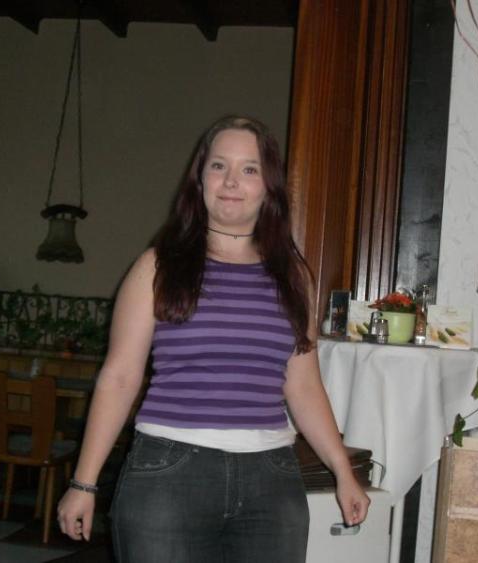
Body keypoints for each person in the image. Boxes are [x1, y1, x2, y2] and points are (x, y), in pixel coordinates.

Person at [57, 115, 370, 562]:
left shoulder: (293, 276)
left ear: (269, 186)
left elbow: (303, 385)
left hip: (271, 483)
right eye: (219, 166)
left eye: (249, 169)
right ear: (200, 179)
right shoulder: (157, 266)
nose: (231, 181)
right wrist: (83, 482)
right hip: (168, 476)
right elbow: (120, 378)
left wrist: (342, 471)